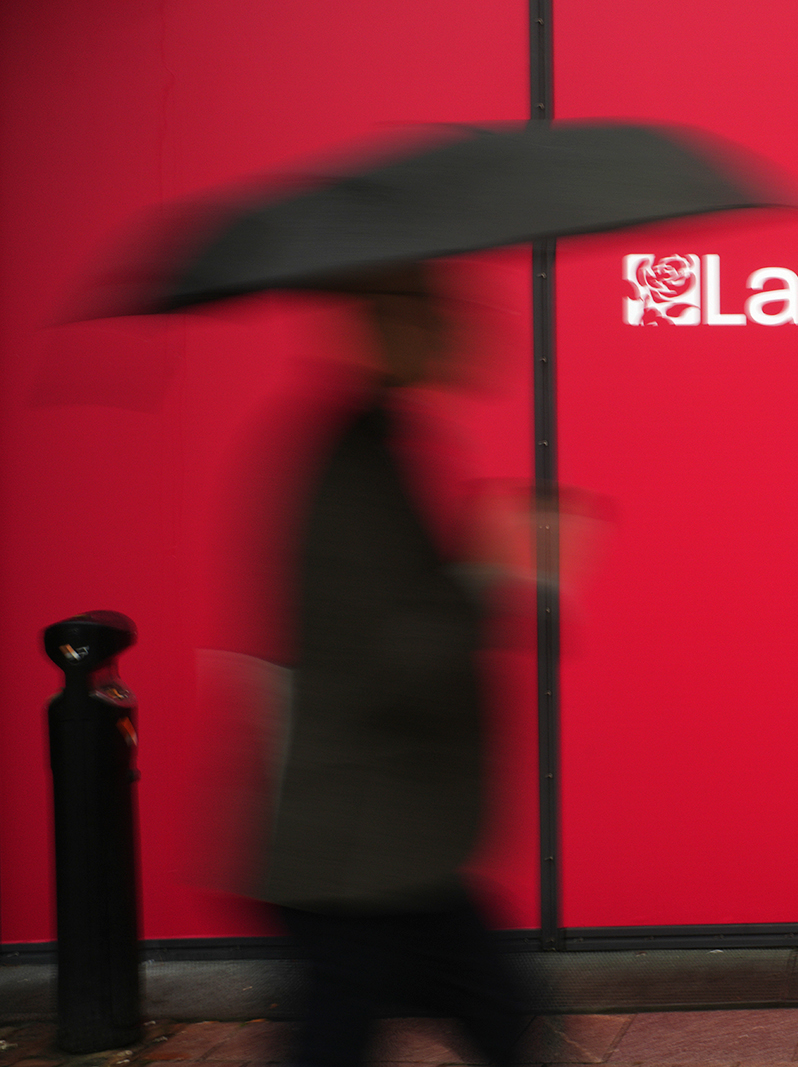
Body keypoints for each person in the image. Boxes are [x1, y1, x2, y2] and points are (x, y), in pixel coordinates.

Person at [258, 262, 529, 1067]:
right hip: (361, 839)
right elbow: (387, 652)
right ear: (384, 326)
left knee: (493, 1015)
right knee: (466, 1017)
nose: (455, 330)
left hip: (386, 834)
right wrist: (491, 576)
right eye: (433, 315)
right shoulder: (349, 461)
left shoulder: (373, 443)